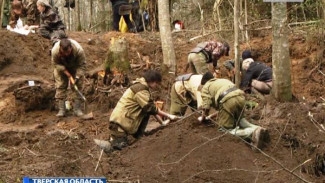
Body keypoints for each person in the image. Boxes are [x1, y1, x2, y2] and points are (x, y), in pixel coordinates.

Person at [95, 70, 180, 153]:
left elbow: (151, 110)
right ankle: (98, 145)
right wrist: (169, 116)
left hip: (123, 121)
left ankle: (137, 137)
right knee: (120, 149)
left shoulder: (142, 89)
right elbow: (150, 107)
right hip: (119, 123)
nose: (157, 85)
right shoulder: (140, 89)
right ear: (152, 81)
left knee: (146, 114)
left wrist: (162, 123)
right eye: (157, 83)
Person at [199, 72, 269, 149]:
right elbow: (223, 108)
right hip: (240, 97)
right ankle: (259, 129)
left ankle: (252, 133)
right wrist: (211, 116)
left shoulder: (205, 87)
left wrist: (203, 118)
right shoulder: (222, 81)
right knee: (240, 120)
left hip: (227, 100)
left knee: (223, 130)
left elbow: (206, 106)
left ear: (204, 82)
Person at [51, 38, 87, 117]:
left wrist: (76, 77)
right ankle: (62, 110)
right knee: (61, 85)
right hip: (61, 67)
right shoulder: (55, 51)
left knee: (78, 85)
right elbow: (55, 64)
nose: (66, 54)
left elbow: (82, 66)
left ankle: (77, 109)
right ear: (60, 49)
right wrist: (67, 73)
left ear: (71, 47)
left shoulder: (78, 50)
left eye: (68, 52)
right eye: (64, 52)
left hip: (75, 67)